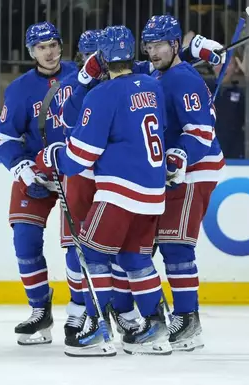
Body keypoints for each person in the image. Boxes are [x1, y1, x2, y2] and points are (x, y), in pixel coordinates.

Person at [36, 25, 171, 357]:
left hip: (119, 191)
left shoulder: (102, 94)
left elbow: (81, 155)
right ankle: (156, 327)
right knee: (134, 258)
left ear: (102, 57)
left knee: (94, 255)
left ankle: (97, 329)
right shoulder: (152, 85)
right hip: (153, 192)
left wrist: (55, 156)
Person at [141, 15, 225, 352]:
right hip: (173, 170)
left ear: (174, 45)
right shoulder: (160, 71)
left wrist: (178, 157)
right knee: (156, 242)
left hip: (195, 169)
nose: (151, 51)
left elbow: (202, 131)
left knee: (176, 244)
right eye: (148, 45)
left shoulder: (184, 79)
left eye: (158, 44)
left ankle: (188, 319)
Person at [0, 21, 77, 345]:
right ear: (32, 52)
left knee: (76, 246)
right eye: (42, 47)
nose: (50, 51)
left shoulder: (81, 77)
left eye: (53, 44)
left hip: (75, 169)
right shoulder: (19, 89)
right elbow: (4, 139)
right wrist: (23, 169)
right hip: (38, 168)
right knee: (24, 238)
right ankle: (40, 311)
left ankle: (79, 311)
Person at [58, 29, 142, 339]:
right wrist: (82, 81)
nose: (94, 62)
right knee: (76, 246)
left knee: (120, 248)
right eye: (87, 56)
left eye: (98, 55)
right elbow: (68, 119)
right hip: (82, 175)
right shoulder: (77, 84)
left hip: (116, 176)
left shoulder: (126, 84)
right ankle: (80, 307)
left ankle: (123, 308)